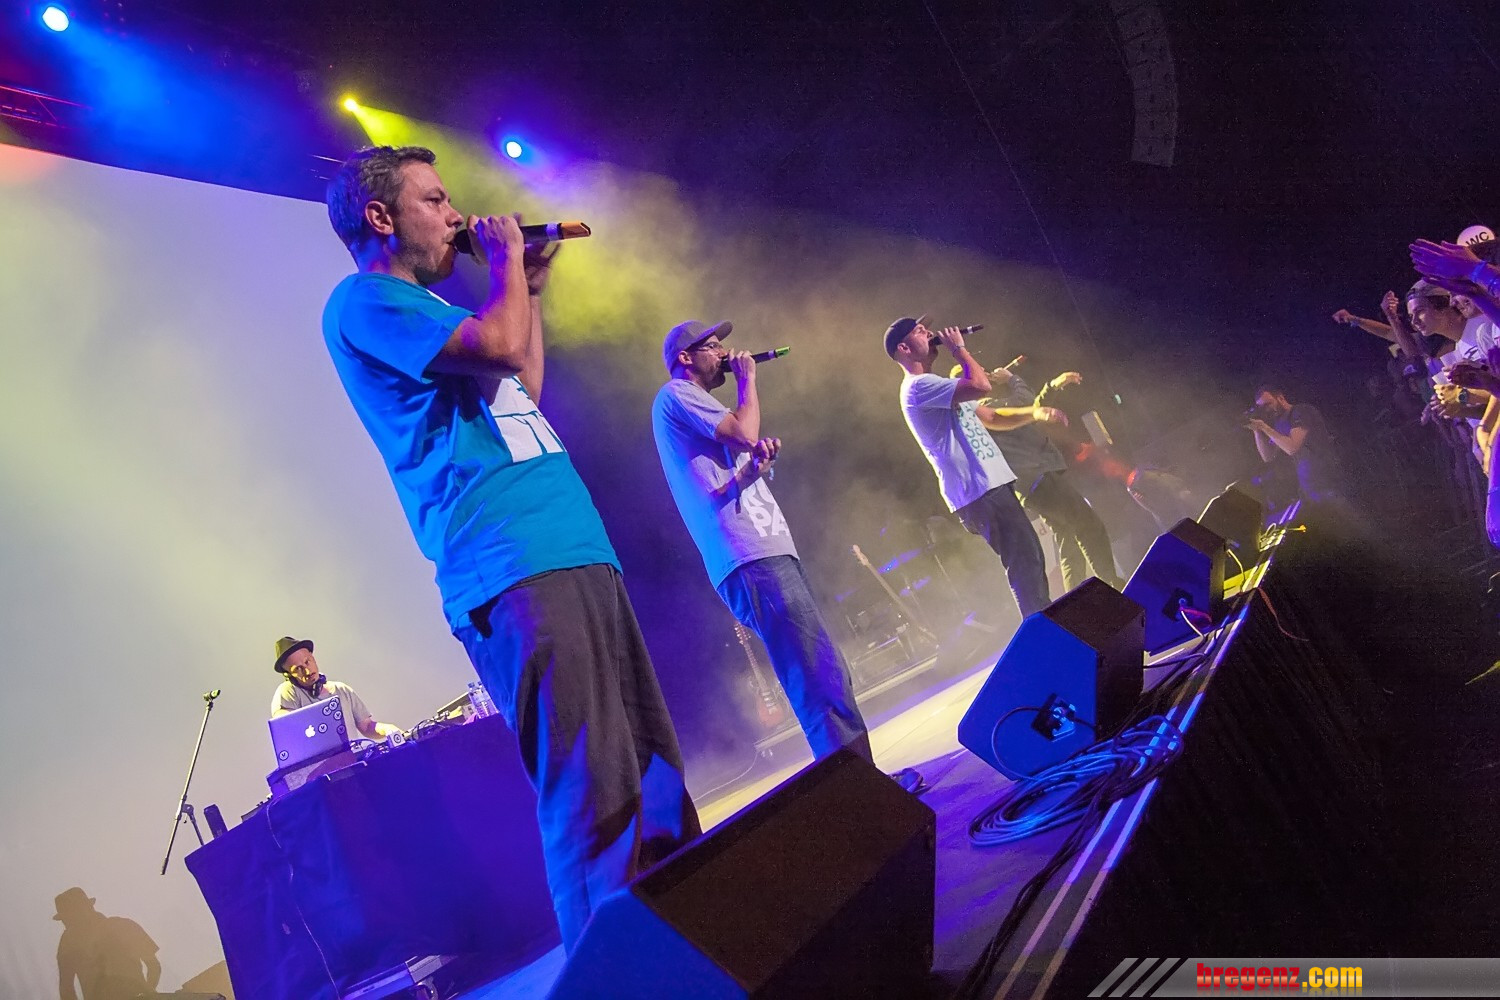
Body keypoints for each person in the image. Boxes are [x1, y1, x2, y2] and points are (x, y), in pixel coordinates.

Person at [320, 145, 698, 950]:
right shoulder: (366, 300)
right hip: (510, 562)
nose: (455, 214)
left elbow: (518, 386)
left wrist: (526, 289)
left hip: (570, 544)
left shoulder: (437, 314)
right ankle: (614, 977)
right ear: (381, 217)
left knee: (651, 775)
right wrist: (500, 268)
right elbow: (497, 347)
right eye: (434, 200)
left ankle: (698, 956)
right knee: (593, 799)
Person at [651, 320, 924, 791]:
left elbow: (721, 482)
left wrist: (751, 471)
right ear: (685, 357)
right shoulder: (677, 394)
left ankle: (861, 786)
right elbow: (743, 432)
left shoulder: (699, 406)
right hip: (749, 556)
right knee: (817, 675)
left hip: (765, 550)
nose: (725, 353)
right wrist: (747, 380)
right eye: (712, 346)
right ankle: (863, 793)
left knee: (823, 670)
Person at [888, 316, 1058, 617]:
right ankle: (1043, 634)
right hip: (978, 489)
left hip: (990, 485)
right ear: (904, 348)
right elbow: (981, 385)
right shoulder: (918, 386)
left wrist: (1034, 413)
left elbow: (991, 417)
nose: (929, 333)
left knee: (1029, 555)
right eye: (920, 331)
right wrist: (958, 349)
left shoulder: (939, 385)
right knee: (1024, 561)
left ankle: (1046, 629)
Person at [964, 363, 1122, 590]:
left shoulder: (980, 413)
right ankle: (1114, 587)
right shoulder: (983, 408)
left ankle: (1078, 600)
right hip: (1039, 478)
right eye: (981, 372)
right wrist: (1011, 378)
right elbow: (1028, 405)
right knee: (1089, 525)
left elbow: (1035, 410)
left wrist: (1053, 386)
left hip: (1031, 486)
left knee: (1068, 540)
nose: (986, 374)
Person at [268, 635, 400, 741]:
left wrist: (388, 729)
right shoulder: (288, 692)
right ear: (289, 675)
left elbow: (366, 726)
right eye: (298, 669)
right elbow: (283, 726)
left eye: (307, 662)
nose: (307, 671)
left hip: (350, 761)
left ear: (313, 658)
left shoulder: (341, 689)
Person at [1244, 385, 1345, 507]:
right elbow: (1268, 456)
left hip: (1328, 480)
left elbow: (1292, 447)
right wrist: (1257, 430)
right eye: (1262, 407)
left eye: (1268, 404)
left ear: (1280, 398)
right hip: (1309, 486)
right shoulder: (1279, 423)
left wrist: (1264, 427)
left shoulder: (1302, 411)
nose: (1266, 410)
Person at [53, 888, 160, 1000]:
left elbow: (153, 965)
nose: (66, 923)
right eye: (65, 919)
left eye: (69, 917)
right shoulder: (68, 943)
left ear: (86, 909)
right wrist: (149, 993)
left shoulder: (122, 927)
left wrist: (148, 994)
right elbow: (66, 988)